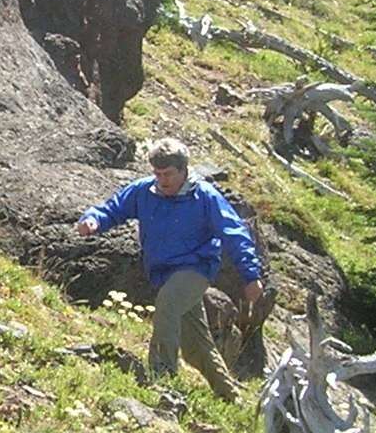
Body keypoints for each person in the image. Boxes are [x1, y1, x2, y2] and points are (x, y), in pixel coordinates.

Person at [75, 137, 262, 402]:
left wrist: (251, 276)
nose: (162, 180)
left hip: (196, 269)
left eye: (168, 174)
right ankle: (231, 398)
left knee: (168, 303)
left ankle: (161, 379)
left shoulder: (205, 196)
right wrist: (93, 220)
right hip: (163, 273)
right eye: (157, 173)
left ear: (184, 171)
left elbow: (235, 233)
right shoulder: (144, 191)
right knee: (196, 345)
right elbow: (113, 208)